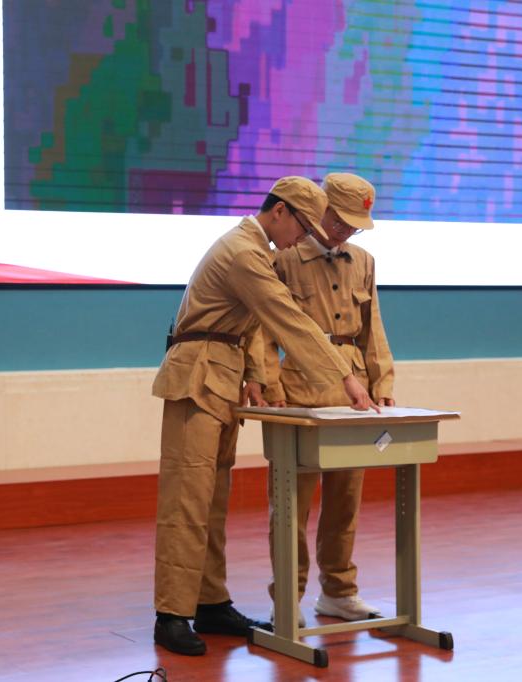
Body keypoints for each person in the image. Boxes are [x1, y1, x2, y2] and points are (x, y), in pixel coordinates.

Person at [150, 176, 379, 656]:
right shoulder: (244, 252)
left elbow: (250, 324)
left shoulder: (257, 250)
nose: (303, 238)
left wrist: (255, 373)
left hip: (220, 375)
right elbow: (285, 319)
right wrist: (345, 377)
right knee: (187, 501)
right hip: (197, 376)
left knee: (212, 500)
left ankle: (210, 601)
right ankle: (171, 614)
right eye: (303, 226)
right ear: (280, 211)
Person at [262, 172, 394, 624]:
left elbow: (373, 327)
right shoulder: (285, 257)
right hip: (298, 393)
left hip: (354, 396)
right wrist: (270, 386)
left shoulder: (364, 262)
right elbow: (262, 330)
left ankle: (338, 591)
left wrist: (383, 383)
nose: (346, 232)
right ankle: (287, 597)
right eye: (340, 222)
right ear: (321, 211)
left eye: (355, 226)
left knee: (345, 500)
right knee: (290, 503)